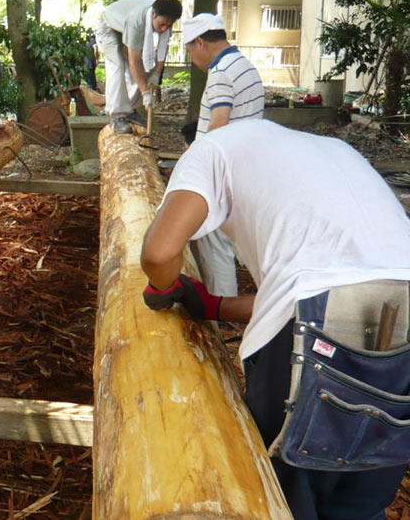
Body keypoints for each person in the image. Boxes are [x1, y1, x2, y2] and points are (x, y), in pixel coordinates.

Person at [140, 119, 410, 520]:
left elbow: (159, 254)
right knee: (361, 503)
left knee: (283, 500)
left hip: (313, 332)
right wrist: (214, 307)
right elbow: (325, 284)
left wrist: (162, 289)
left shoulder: (209, 150)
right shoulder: (333, 152)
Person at [182, 13, 266, 297]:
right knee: (228, 245)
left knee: (213, 245)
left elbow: (219, 123)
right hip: (244, 165)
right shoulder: (245, 66)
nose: (192, 60)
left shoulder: (220, 73)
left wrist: (195, 164)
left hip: (220, 172)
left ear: (199, 42)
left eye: (190, 51)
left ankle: (221, 316)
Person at [96, 0, 182, 134]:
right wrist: (145, 93)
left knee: (144, 68)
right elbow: (133, 60)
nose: (163, 29)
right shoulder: (137, 20)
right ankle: (117, 115)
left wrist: (156, 74)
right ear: (153, 14)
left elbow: (162, 50)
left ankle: (130, 110)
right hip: (109, 27)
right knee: (118, 66)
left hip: (125, 27)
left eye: (168, 26)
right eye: (162, 24)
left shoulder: (165, 23)